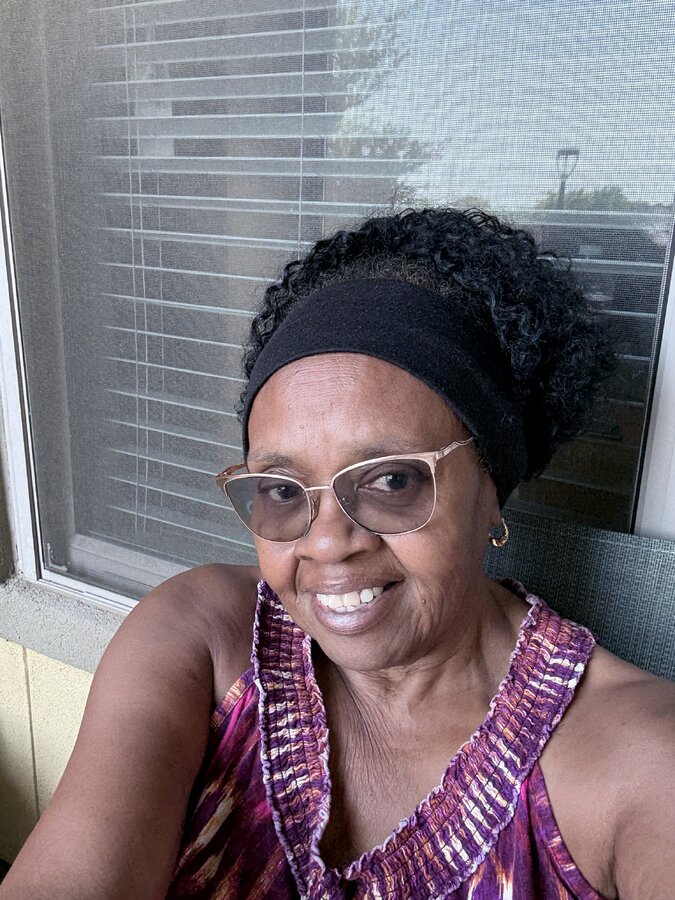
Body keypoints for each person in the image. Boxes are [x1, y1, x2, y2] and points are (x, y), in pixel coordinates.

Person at [2, 209, 674, 899]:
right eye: (281, 489)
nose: (325, 542)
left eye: (392, 481)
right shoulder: (207, 639)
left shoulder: (634, 760)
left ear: (492, 490)